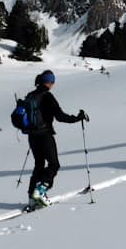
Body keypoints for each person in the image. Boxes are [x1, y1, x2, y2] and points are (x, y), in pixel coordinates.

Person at [26, 69, 88, 207]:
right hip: (45, 135)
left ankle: (31, 197)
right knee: (54, 164)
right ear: (49, 82)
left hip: (32, 136)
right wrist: (77, 118)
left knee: (39, 164)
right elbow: (60, 116)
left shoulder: (30, 95)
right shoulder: (47, 96)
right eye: (52, 82)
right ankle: (40, 191)